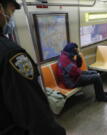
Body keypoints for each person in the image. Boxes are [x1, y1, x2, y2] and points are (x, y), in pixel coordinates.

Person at [0, 0, 66, 134]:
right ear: (0, 10)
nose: (11, 19)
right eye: (11, 12)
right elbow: (33, 111)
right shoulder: (10, 54)